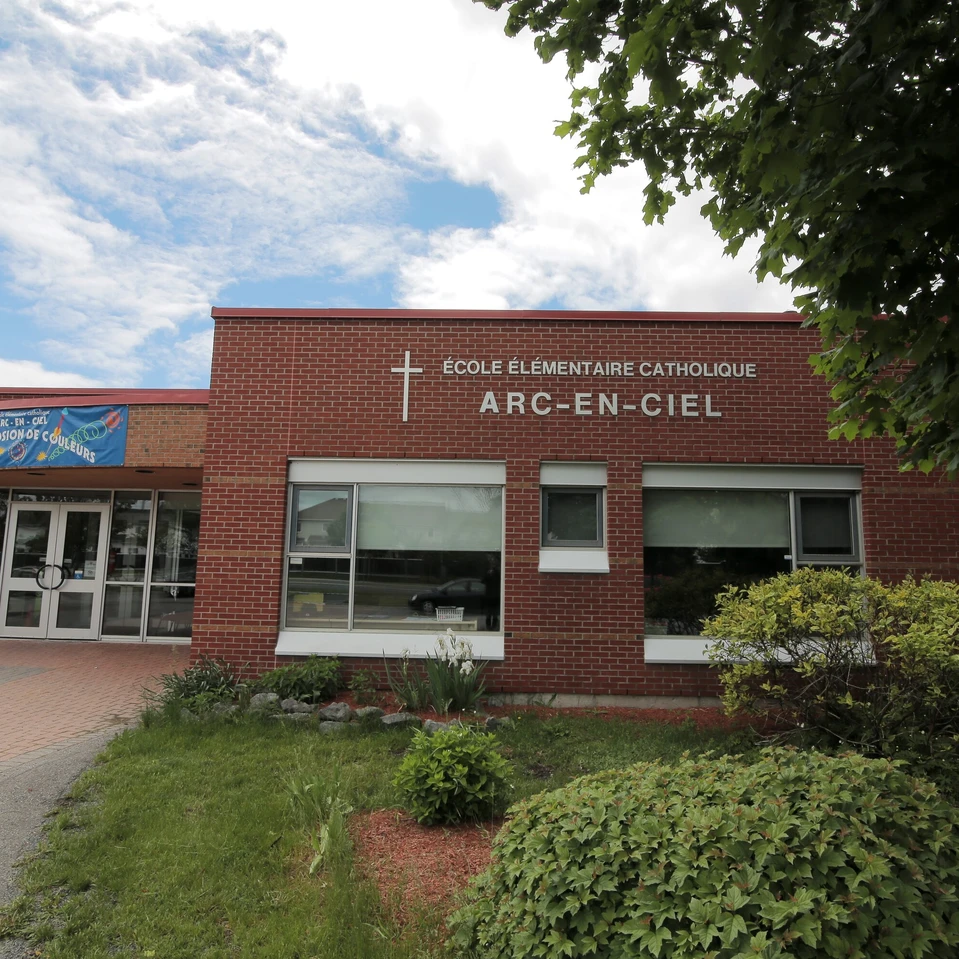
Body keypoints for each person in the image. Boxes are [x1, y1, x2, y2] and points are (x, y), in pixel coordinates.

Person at [482, 560, 501, 631]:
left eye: (493, 564)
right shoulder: (487, 572)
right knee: (489, 612)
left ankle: (494, 626)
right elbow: (483, 581)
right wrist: (487, 574)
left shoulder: (498, 572)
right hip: (489, 595)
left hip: (496, 595)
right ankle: (488, 626)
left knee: (495, 612)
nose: (492, 566)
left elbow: (500, 579)